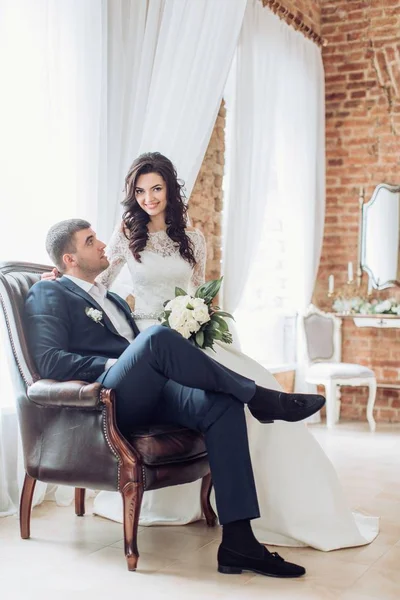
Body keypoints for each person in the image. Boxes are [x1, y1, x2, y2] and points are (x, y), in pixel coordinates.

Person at [42, 152, 380, 551]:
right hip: (149, 336)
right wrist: (61, 276)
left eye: (156, 189)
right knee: (198, 371)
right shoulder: (125, 235)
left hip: (190, 330)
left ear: (170, 189)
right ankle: (258, 407)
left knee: (245, 387)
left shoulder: (194, 239)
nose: (149, 198)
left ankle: (276, 512)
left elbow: (199, 292)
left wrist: (199, 317)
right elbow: (100, 283)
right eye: (140, 191)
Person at [26, 219, 329, 578]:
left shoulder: (111, 299)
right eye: (90, 241)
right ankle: (260, 397)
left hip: (146, 390)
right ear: (69, 258)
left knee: (221, 405)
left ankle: (238, 542)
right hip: (105, 398)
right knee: (157, 337)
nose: (102, 245)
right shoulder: (49, 292)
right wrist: (119, 362)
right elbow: (49, 361)